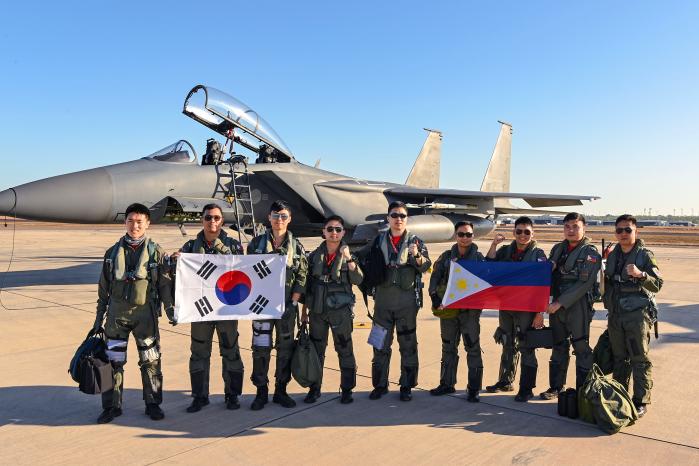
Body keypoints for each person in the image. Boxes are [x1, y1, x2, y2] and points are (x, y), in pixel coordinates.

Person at [92, 203, 174, 424]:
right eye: (131, 221)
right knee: (111, 364)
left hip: (144, 317)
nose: (135, 225)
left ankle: (153, 404)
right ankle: (111, 406)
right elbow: (103, 290)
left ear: (147, 223)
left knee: (151, 362)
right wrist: (99, 319)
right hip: (116, 318)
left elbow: (164, 285)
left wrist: (170, 309)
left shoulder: (156, 252)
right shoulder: (111, 254)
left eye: (139, 221)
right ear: (125, 222)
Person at [176, 204, 245, 413]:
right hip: (201, 311)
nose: (212, 221)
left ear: (222, 221)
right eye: (208, 217)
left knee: (231, 352)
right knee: (198, 353)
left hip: (226, 310)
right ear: (202, 220)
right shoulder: (189, 247)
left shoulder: (233, 245)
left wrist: (221, 248)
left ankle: (232, 395)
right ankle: (199, 396)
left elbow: (243, 270)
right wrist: (175, 261)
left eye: (216, 218)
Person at [362, 201, 431, 402]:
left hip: (407, 304)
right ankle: (380, 385)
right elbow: (361, 258)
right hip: (382, 303)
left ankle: (406, 386)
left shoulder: (416, 242)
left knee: (408, 345)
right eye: (394, 215)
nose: (398, 219)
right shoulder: (378, 240)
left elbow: (426, 265)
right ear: (388, 218)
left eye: (402, 215)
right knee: (379, 344)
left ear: (406, 219)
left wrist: (416, 256)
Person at [247, 200, 308, 410]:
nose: (279, 220)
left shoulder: (296, 246)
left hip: (286, 307)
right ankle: (261, 391)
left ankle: (281, 390)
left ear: (289, 219)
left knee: (285, 349)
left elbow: (302, 275)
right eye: (275, 216)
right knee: (260, 349)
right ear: (269, 218)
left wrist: (294, 301)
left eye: (283, 216)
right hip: (261, 307)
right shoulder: (255, 244)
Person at [603, 214, 662, 418]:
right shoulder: (612, 254)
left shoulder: (645, 255)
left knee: (639, 358)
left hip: (636, 315)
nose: (623, 234)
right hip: (616, 314)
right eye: (619, 230)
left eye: (628, 230)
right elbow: (608, 281)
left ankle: (640, 400)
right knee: (619, 357)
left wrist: (641, 275)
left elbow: (658, 284)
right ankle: (620, 395)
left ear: (636, 231)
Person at [302, 215, 363, 404]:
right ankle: (315, 388)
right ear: (324, 232)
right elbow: (307, 287)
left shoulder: (349, 256)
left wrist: (349, 258)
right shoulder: (313, 257)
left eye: (338, 229)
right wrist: (304, 313)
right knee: (317, 351)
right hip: (318, 310)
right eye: (330, 229)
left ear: (343, 232)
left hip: (340, 311)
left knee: (344, 349)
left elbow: (358, 279)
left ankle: (347, 389)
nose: (334, 233)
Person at [484, 216, 546, 402]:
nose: (522, 235)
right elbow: (490, 266)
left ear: (532, 233)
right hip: (507, 305)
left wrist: (539, 313)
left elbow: (543, 285)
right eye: (519, 231)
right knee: (507, 342)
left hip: (526, 308)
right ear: (514, 232)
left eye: (527, 231)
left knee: (526, 346)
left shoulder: (538, 255)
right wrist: (494, 244)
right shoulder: (506, 251)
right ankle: (505, 381)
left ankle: (526, 388)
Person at [540, 212, 601, 400]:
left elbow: (584, 284)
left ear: (584, 228)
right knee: (558, 345)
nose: (571, 230)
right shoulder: (558, 249)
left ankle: (583, 390)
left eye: (575, 226)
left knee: (581, 346)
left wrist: (559, 303)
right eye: (567, 226)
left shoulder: (590, 253)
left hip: (577, 305)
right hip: (557, 305)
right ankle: (555, 387)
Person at [428, 221, 484, 402]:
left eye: (468, 234)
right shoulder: (445, 257)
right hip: (449, 311)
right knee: (448, 347)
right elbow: (435, 277)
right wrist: (434, 296)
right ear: (456, 235)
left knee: (472, 348)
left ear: (473, 236)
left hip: (469, 313)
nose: (465, 238)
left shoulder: (479, 259)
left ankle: (474, 388)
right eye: (461, 234)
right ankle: (447, 383)